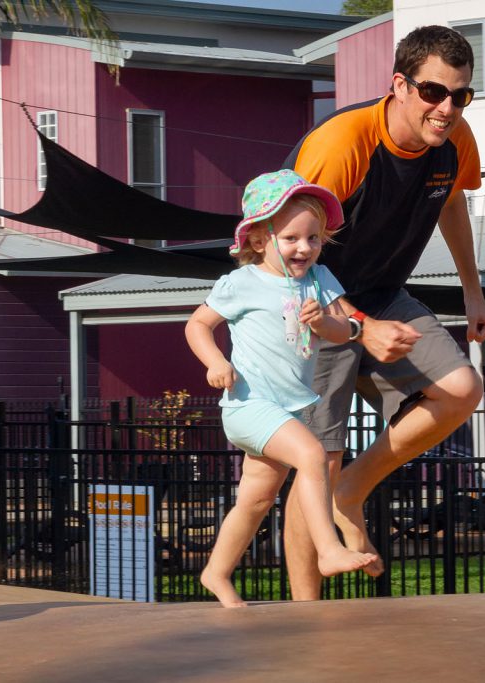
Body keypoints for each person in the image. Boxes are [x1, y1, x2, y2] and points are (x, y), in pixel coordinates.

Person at [280, 25, 485, 598]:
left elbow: (452, 202)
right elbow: (294, 261)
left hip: (381, 292)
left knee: (460, 389)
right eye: (432, 92)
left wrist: (472, 292)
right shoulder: (342, 144)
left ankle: (353, 489)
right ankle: (306, 613)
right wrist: (359, 327)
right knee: (315, 463)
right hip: (309, 304)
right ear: (399, 85)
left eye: (460, 95)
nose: (446, 108)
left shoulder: (455, 140)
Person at [186, 169, 377, 608]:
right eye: (291, 238)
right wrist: (216, 361)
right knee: (312, 455)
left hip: (287, 411)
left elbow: (342, 332)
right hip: (249, 405)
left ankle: (215, 572)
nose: (304, 248)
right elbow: (198, 324)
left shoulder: (319, 279)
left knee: (256, 500)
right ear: (257, 240)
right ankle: (328, 551)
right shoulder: (243, 283)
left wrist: (324, 322)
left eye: (313, 238)